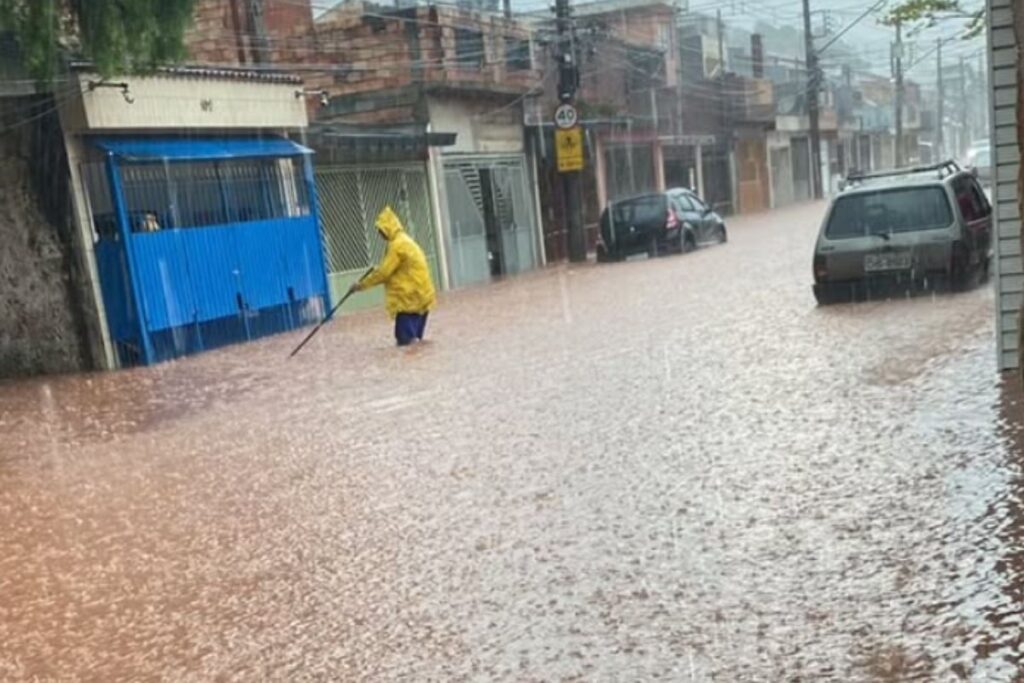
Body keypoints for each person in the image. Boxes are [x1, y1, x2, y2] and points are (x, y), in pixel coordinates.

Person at [350, 206, 436, 346]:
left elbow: (383, 273)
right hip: (422, 299)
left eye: (381, 230)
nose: (380, 234)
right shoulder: (406, 240)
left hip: (409, 301)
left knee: (405, 343)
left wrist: (360, 286)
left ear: (387, 228)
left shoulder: (396, 246)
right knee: (416, 345)